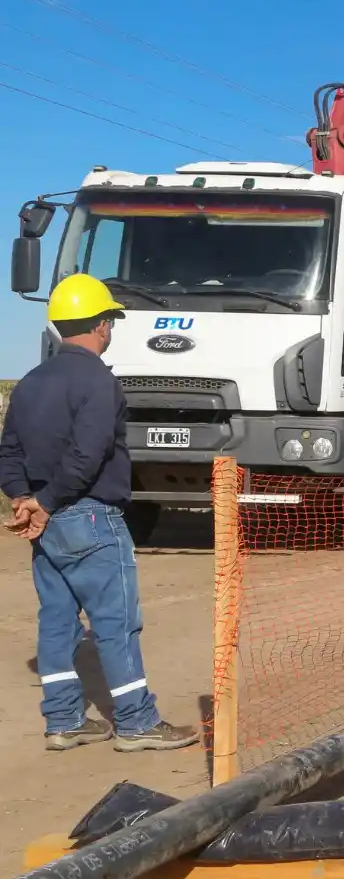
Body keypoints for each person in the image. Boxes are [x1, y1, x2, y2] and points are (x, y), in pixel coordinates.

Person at [0, 274, 199, 753]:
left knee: (57, 622)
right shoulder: (100, 381)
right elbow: (88, 457)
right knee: (116, 622)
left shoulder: (29, 382)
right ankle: (136, 722)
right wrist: (44, 504)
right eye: (110, 320)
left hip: (45, 524)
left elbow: (8, 452)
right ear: (102, 325)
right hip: (89, 517)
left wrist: (24, 499)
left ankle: (64, 722)